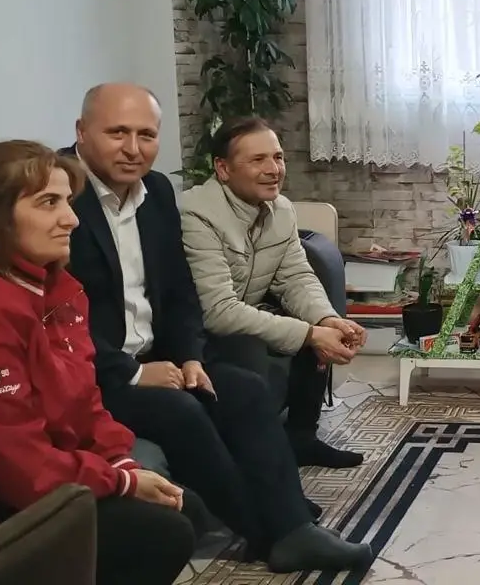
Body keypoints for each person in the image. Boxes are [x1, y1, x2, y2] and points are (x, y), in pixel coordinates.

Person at [63, 84, 374, 573]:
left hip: (160, 355)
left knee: (244, 391)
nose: (133, 148)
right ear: (82, 132)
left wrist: (189, 355)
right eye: (117, 133)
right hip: (96, 372)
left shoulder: (155, 191)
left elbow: (179, 292)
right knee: (182, 410)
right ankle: (270, 533)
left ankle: (294, 526)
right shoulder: (58, 199)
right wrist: (133, 372)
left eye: (146, 135)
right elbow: (58, 317)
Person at [0, 140, 194, 585]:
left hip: (41, 468)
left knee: (184, 509)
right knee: (161, 534)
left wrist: (120, 461)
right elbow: (16, 464)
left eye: (67, 201)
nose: (71, 219)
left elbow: (85, 401)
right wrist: (119, 481)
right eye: (48, 203)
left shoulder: (58, 289)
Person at [177, 116, 368, 469]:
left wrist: (326, 320)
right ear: (223, 168)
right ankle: (262, 465)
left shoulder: (282, 209)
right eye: (257, 160)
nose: (273, 169)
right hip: (197, 333)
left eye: (278, 157)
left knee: (314, 326)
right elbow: (217, 311)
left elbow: (295, 276)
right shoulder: (196, 214)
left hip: (243, 312)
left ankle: (302, 439)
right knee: (270, 340)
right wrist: (310, 334)